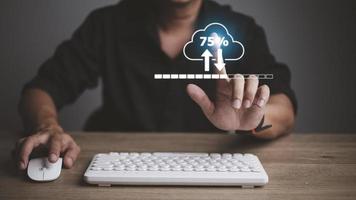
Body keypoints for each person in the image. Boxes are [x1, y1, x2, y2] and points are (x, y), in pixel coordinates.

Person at [15, 0, 297, 170]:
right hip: (116, 167)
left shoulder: (242, 29)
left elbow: (283, 108)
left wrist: (254, 120)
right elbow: (41, 89)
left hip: (212, 168)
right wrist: (47, 127)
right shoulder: (108, 23)